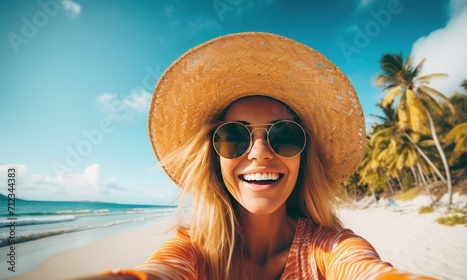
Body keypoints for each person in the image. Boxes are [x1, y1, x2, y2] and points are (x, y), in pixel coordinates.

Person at [90, 32, 435, 279]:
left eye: (283, 136)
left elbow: (366, 270)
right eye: (234, 137)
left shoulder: (332, 248)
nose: (259, 152)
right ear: (213, 157)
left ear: (304, 155)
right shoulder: (191, 251)